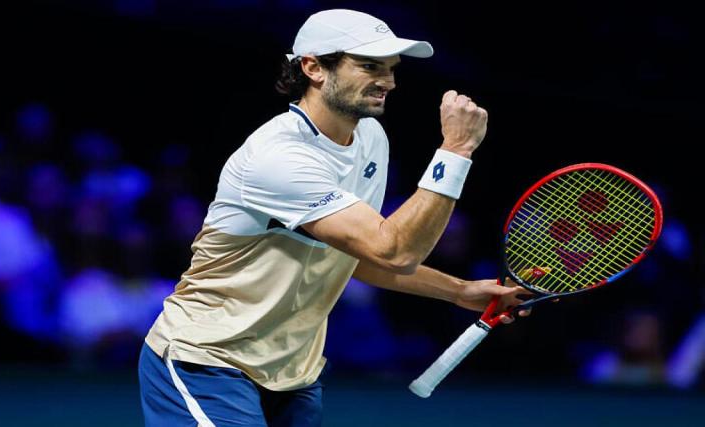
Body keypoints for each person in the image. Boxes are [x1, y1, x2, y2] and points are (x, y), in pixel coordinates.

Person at [138, 9, 531, 427]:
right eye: (369, 65)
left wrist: (459, 291)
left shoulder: (370, 138)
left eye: (392, 69)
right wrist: (456, 150)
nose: (389, 81)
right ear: (313, 67)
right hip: (207, 359)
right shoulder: (279, 156)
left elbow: (359, 254)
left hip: (294, 374)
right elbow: (395, 251)